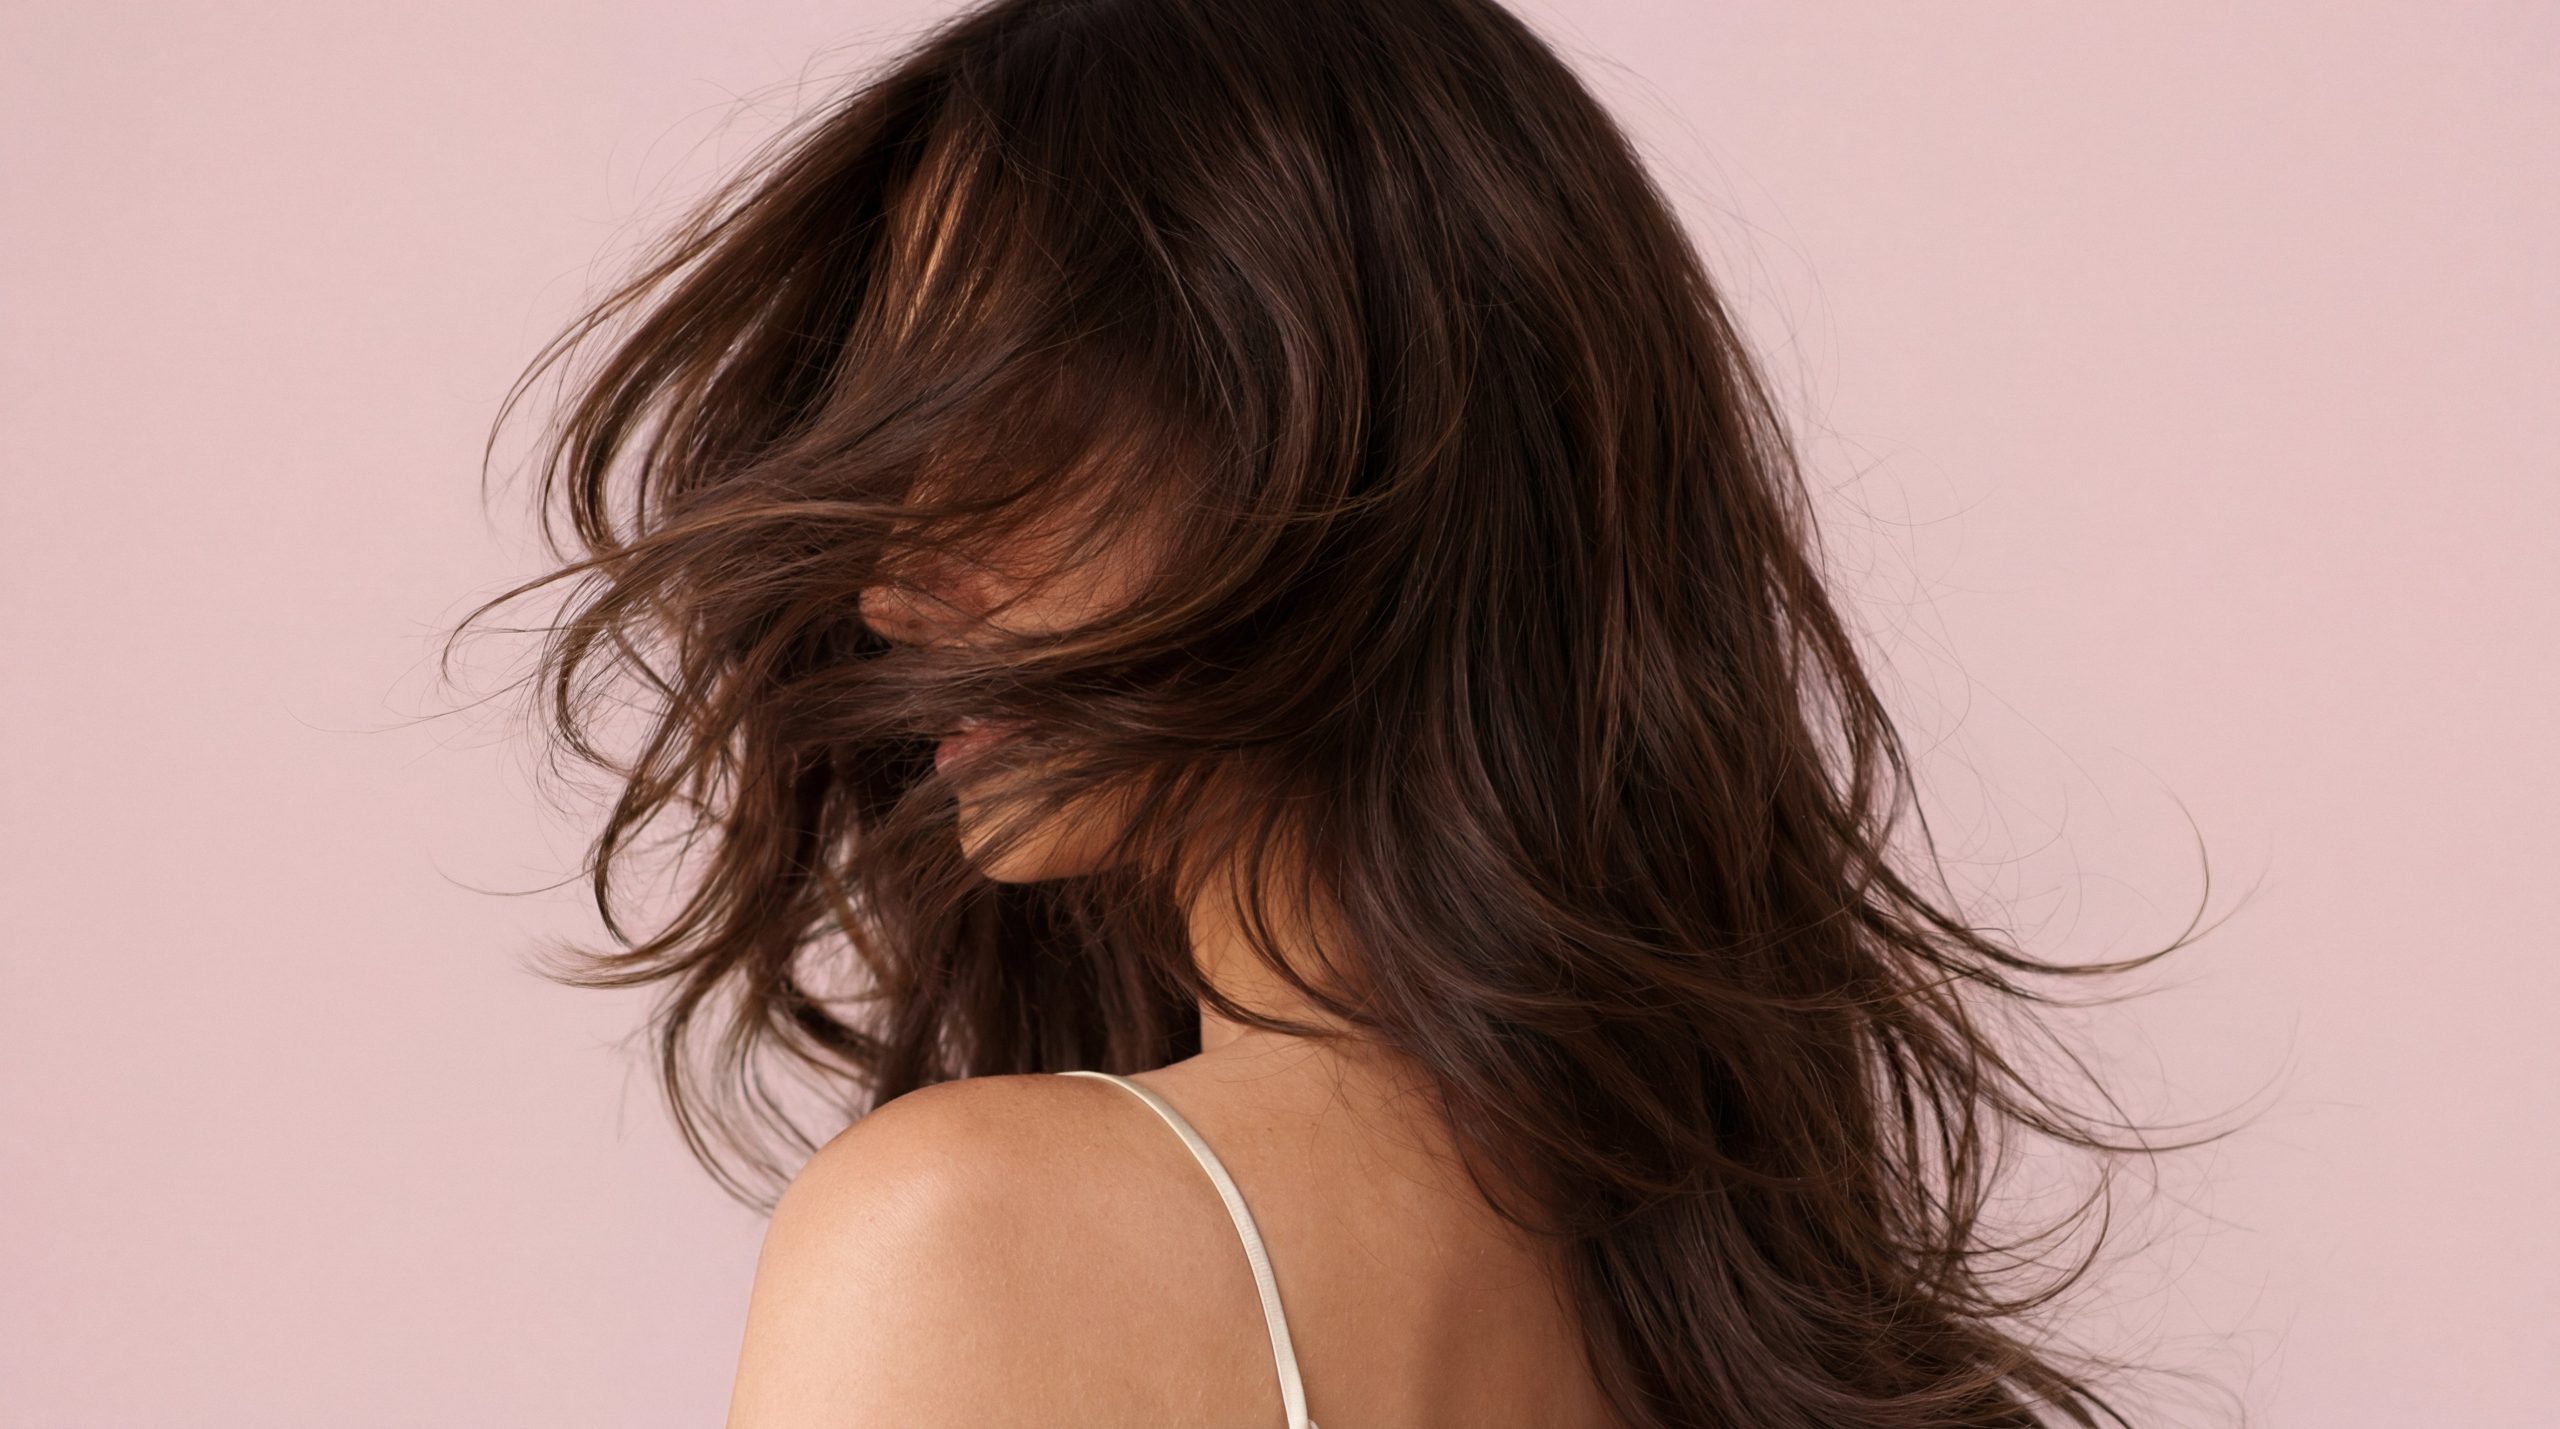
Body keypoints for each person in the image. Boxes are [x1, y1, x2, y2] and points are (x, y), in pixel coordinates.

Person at [458, 0, 2204, 1423]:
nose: (895, 584)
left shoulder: (972, 1235)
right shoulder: (1750, 1313)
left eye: (1000, 429)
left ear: (1328, 442)